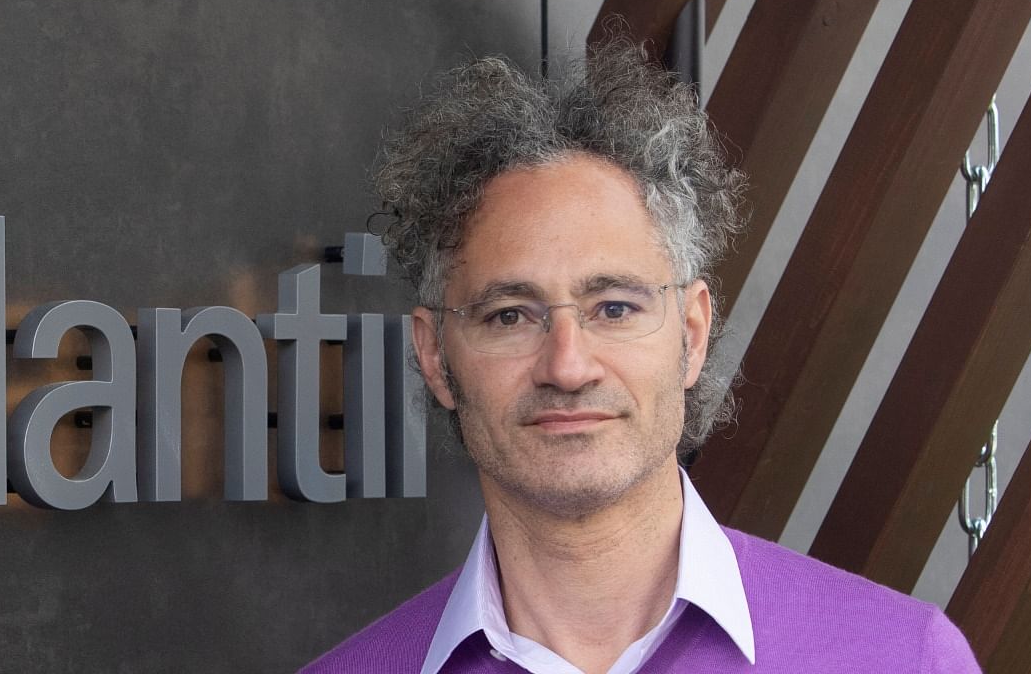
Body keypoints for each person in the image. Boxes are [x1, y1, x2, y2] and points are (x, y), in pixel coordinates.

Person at [303, 41, 980, 673]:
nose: (568, 368)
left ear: (691, 333)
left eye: (615, 308)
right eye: (510, 315)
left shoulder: (902, 658)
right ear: (433, 353)